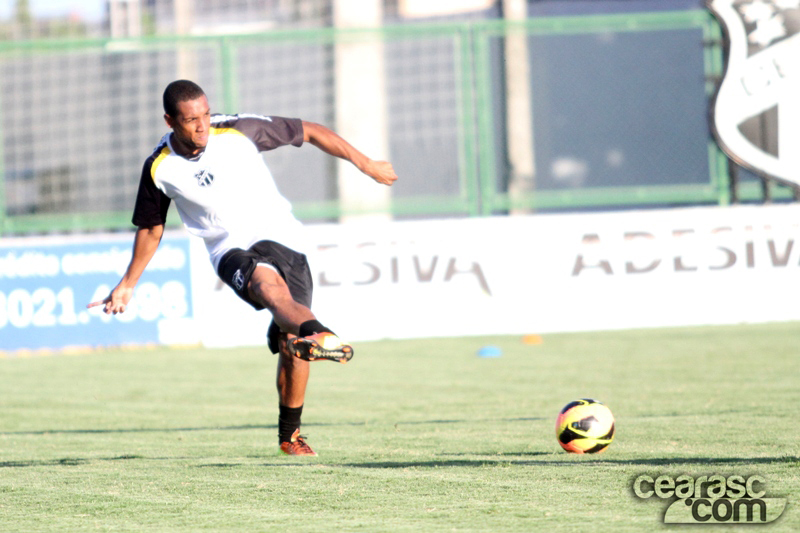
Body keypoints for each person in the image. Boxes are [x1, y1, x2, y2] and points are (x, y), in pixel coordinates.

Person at [88, 79, 397, 456]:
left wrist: (365, 164)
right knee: (271, 290)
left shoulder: (238, 129)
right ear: (170, 121)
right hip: (229, 248)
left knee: (293, 346)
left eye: (205, 114)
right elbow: (152, 229)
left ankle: (291, 435)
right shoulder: (159, 168)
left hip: (285, 238)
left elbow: (310, 131)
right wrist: (128, 283)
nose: (202, 126)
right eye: (190, 120)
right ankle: (320, 333)